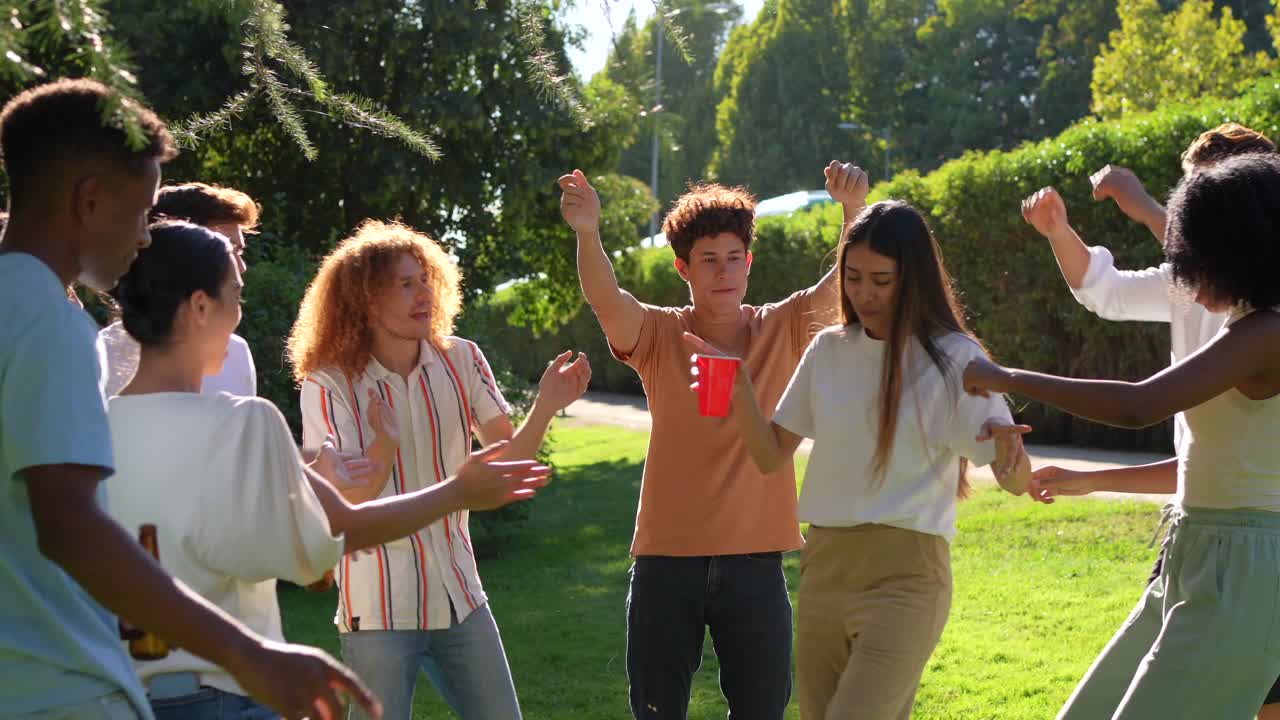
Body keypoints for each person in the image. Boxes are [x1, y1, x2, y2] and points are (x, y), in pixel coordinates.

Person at [0, 77, 377, 720]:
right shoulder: (48, 321)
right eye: (143, 212)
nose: (146, 237)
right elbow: (69, 526)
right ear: (89, 200)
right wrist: (247, 653)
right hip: (62, 687)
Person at [103, 220, 554, 717]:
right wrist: (451, 492)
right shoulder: (247, 423)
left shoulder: (90, 434)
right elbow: (325, 545)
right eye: (236, 295)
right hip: (227, 692)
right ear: (201, 307)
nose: (239, 318)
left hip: (121, 696)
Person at [963, 151, 1280, 719]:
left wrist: (1006, 376)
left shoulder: (1267, 332)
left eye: (1197, 260)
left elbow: (1139, 406)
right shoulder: (1246, 321)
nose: (1185, 277)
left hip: (1246, 569)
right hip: (1195, 547)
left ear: (1242, 252)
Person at [690, 200, 1030, 719]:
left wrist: (1012, 454)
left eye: (881, 279)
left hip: (907, 578)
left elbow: (1012, 480)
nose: (863, 294)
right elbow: (770, 455)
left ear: (912, 278)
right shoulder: (828, 350)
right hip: (825, 570)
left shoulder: (957, 358)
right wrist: (739, 390)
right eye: (852, 277)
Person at [558, 162, 869, 718]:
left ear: (749, 263)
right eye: (708, 260)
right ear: (683, 268)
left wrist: (852, 211)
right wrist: (587, 233)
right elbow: (606, 298)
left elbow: (845, 283)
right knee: (657, 711)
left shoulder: (784, 326)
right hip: (665, 562)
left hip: (756, 562)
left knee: (763, 710)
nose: (723, 272)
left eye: (733, 258)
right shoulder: (659, 334)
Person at [288, 219, 591, 720]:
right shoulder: (329, 383)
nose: (423, 292)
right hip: (378, 611)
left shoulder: (463, 359)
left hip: (461, 597)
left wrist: (546, 405)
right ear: (365, 300)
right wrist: (385, 444)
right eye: (405, 284)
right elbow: (345, 503)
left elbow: (509, 461)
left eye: (425, 278)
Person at [101, 181, 262, 397]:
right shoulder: (100, 354)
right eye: (224, 249)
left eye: (239, 252)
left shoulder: (236, 354)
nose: (241, 267)